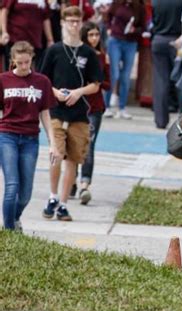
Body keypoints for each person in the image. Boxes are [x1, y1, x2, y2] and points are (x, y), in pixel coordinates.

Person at [40, 6, 102, 221]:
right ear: (63, 23)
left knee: (73, 160)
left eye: (77, 21)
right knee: (56, 153)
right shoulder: (54, 50)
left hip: (78, 112)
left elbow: (95, 84)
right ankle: (52, 196)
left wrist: (78, 92)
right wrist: (56, 92)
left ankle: (64, 204)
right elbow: (43, 79)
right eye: (70, 21)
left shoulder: (88, 53)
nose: (74, 25)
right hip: (56, 111)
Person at [0, 41, 59, 231]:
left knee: (25, 193)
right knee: (12, 185)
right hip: (7, 136)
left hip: (30, 139)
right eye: (20, 63)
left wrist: (53, 143)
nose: (24, 67)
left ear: (32, 59)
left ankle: (15, 217)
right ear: (13, 61)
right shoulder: (3, 80)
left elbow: (45, 115)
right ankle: (9, 230)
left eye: (27, 62)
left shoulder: (42, 82)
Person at [70, 21, 111, 205]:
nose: (94, 38)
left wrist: (98, 80)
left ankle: (85, 184)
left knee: (89, 146)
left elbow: (108, 83)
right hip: (75, 106)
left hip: (95, 108)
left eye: (97, 35)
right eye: (91, 35)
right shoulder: (76, 55)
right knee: (72, 143)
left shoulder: (102, 57)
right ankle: (71, 179)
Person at [103, 0, 146, 119]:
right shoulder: (117, 3)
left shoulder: (139, 7)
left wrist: (135, 30)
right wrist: (109, 28)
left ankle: (122, 108)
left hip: (130, 42)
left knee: (125, 76)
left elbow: (143, 27)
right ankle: (106, 106)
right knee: (113, 74)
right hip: (115, 40)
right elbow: (108, 16)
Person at [150, 0, 182, 129]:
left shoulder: (156, 2)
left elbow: (153, 21)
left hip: (159, 39)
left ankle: (160, 120)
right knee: (181, 80)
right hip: (177, 41)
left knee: (160, 81)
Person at [0, 0, 55, 70]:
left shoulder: (43, 1)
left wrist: (50, 40)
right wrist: (4, 32)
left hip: (35, 41)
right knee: (13, 69)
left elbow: (46, 19)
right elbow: (4, 11)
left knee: (33, 71)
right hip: (14, 39)